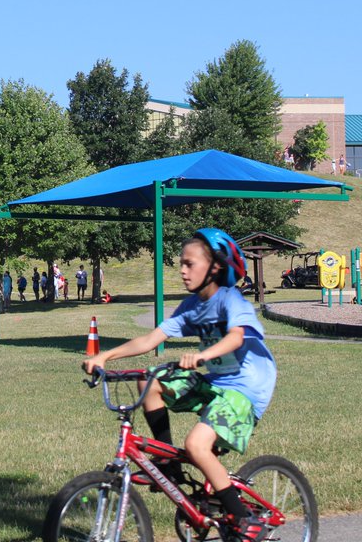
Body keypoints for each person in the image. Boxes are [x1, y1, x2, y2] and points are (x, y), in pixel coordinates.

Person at [82, 229, 276, 542]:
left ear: (214, 267)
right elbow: (150, 339)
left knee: (197, 445)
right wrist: (105, 356)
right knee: (150, 380)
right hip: (216, 382)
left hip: (246, 387)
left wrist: (202, 356)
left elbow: (236, 337)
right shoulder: (191, 306)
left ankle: (243, 519)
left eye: (190, 264)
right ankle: (167, 463)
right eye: (181, 264)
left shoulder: (230, 299)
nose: (183, 271)